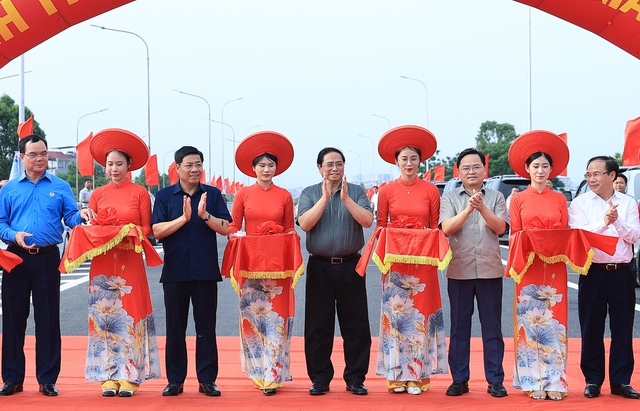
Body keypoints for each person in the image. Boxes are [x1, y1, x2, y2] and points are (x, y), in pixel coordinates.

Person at [0, 134, 94, 397]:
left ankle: (47, 379)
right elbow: (1, 222)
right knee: (13, 319)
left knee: (48, 319)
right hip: (15, 258)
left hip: (48, 257)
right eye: (34, 154)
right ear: (21, 157)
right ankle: (12, 378)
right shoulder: (9, 189)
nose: (40, 158)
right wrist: (12, 235)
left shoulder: (61, 186)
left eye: (44, 154)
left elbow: (71, 216)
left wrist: (82, 215)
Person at [152, 146, 232, 397]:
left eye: (199, 164)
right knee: (175, 328)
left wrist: (204, 215)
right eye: (189, 164)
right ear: (177, 168)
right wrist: (183, 219)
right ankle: (175, 380)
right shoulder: (165, 196)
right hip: (175, 272)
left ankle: (207, 379)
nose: (195, 169)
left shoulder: (213, 194)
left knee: (206, 327)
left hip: (206, 271)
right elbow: (156, 231)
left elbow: (226, 228)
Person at [375, 125, 446, 395]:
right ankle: (396, 376)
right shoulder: (386, 191)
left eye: (413, 159)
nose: (408, 163)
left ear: (420, 162)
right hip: (395, 265)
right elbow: (381, 227)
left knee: (420, 319)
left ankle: (417, 376)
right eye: (403, 159)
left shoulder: (430, 190)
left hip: (423, 264)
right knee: (396, 318)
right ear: (396, 162)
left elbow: (435, 227)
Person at [226, 132, 298, 396]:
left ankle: (274, 372)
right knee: (253, 319)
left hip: (278, 268)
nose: (266, 170)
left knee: (277, 319)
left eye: (270, 165)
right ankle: (258, 371)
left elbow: (290, 229)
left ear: (276, 168)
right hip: (251, 266)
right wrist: (235, 235)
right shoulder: (243, 194)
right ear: (253, 168)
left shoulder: (285, 195)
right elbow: (234, 227)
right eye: (262, 165)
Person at [297, 147, 373, 396]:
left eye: (339, 163)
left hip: (352, 265)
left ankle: (355, 378)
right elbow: (305, 224)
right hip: (319, 266)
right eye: (329, 164)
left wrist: (347, 200)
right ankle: (320, 378)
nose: (334, 168)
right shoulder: (309, 193)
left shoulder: (358, 192)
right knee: (318, 325)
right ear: (319, 168)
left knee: (356, 325)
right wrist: (325, 198)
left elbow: (367, 221)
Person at [569, 156, 640, 400]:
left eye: (597, 174)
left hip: (622, 272)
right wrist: (603, 222)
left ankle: (621, 381)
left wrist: (616, 221)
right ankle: (593, 380)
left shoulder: (628, 203)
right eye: (589, 174)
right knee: (591, 328)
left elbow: (634, 236)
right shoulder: (579, 203)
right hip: (593, 272)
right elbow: (579, 234)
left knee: (623, 328)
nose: (592, 179)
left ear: (612, 175)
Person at [506, 130, 570, 401]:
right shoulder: (518, 199)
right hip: (529, 266)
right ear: (527, 169)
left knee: (555, 323)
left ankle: (556, 381)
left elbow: (566, 232)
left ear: (552, 169)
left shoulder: (560, 199)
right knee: (529, 322)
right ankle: (532, 379)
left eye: (545, 166)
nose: (541, 170)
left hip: (555, 266)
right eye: (536, 166)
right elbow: (514, 236)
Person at [439, 148, 508, 398]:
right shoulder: (449, 199)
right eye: (466, 167)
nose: (471, 171)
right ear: (458, 171)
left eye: (476, 166)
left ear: (484, 170)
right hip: (459, 270)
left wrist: (482, 208)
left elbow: (500, 228)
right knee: (459, 328)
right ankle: (459, 378)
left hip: (490, 271)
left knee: (492, 328)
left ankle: (495, 379)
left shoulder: (497, 197)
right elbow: (446, 228)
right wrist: (468, 209)